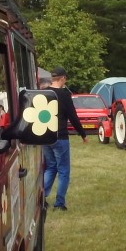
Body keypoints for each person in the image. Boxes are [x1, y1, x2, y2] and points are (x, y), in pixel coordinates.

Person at [42, 66, 86, 211]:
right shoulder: (64, 95)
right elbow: (73, 116)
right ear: (62, 78)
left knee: (50, 167)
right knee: (63, 171)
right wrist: (83, 134)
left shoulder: (44, 93)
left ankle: (41, 198)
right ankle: (59, 203)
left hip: (45, 137)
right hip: (60, 137)